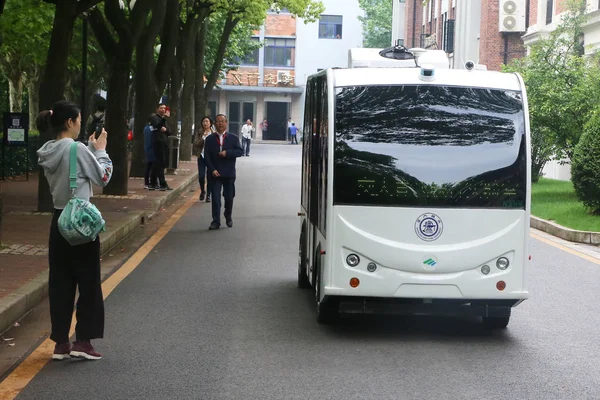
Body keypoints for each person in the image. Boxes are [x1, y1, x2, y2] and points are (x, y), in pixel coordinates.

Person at [36, 100, 113, 361]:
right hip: (80, 221)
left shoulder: (47, 150)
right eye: (79, 120)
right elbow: (103, 177)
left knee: (60, 282)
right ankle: (83, 341)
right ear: (69, 122)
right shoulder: (76, 148)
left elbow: (74, 166)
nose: (81, 124)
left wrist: (89, 149)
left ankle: (60, 342)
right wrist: (100, 151)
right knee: (89, 282)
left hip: (59, 219)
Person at [203, 114, 243, 230]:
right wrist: (212, 169)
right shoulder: (210, 139)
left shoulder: (233, 138)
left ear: (226, 123)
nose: (220, 123)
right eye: (218, 121)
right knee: (215, 199)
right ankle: (216, 221)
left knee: (229, 197)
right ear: (214, 124)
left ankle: (228, 215)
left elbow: (239, 152)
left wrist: (227, 153)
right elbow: (207, 156)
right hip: (215, 173)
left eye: (222, 121)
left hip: (229, 173)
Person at [150, 103, 173, 191]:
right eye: (161, 108)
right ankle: (162, 183)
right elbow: (158, 126)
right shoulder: (154, 117)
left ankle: (153, 182)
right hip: (158, 143)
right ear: (157, 109)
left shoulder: (164, 120)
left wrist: (166, 129)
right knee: (160, 163)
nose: (163, 110)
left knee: (159, 163)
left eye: (164, 108)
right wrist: (164, 119)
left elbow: (169, 131)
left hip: (164, 143)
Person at [193, 116, 214, 202]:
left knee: (210, 177)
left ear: (210, 123)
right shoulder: (199, 132)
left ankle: (208, 194)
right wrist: (202, 138)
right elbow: (195, 143)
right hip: (201, 156)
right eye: (204, 121)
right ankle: (202, 191)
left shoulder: (214, 133)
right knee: (201, 176)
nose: (205, 123)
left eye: (207, 121)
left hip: (211, 158)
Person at [143, 122, 156, 189]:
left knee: (148, 167)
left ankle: (146, 182)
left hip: (147, 149)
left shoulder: (146, 128)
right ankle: (152, 182)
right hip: (153, 149)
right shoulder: (153, 129)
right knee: (153, 167)